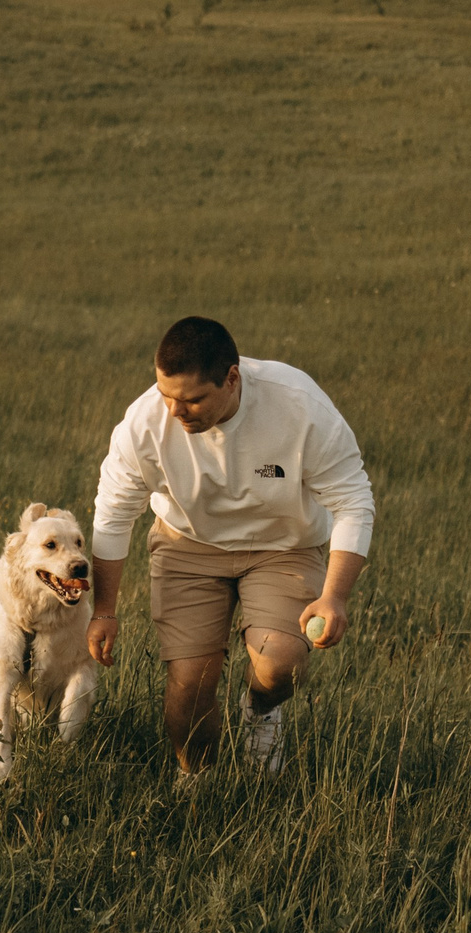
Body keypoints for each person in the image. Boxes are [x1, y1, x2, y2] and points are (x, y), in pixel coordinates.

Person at [86, 316, 375, 777]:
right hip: (188, 544)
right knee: (189, 684)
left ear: (232, 379)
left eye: (193, 399)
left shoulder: (298, 405)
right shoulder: (143, 425)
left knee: (280, 666)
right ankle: (197, 783)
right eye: (167, 395)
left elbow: (353, 501)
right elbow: (112, 516)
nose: (176, 411)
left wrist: (334, 596)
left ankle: (260, 711)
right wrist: (104, 610)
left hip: (284, 544)